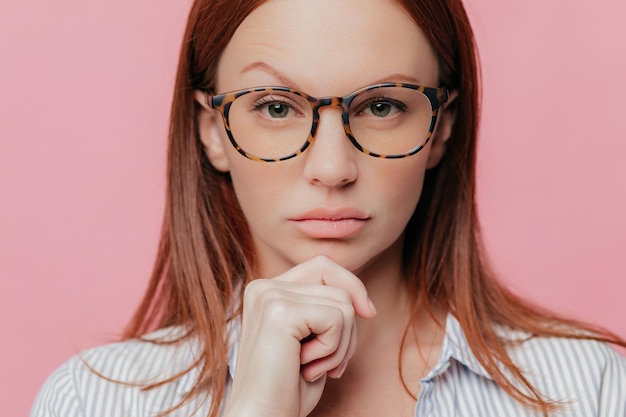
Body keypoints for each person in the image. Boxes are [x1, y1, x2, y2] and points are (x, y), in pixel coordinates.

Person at [30, 0, 626, 416]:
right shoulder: (94, 401)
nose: (332, 168)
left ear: (442, 128)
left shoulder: (589, 389)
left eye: (383, 106)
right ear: (211, 130)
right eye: (276, 107)